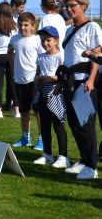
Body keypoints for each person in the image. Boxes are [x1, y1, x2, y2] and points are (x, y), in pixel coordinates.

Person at [62, 0, 100, 180]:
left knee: (86, 124)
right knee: (74, 123)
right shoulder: (69, 30)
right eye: (66, 6)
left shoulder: (92, 27)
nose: (69, 9)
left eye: (72, 6)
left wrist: (91, 79)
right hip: (70, 79)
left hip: (84, 79)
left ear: (83, 6)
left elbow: (97, 55)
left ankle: (92, 166)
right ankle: (84, 160)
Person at [33, 26, 69, 168]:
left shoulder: (61, 56)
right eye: (43, 40)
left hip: (56, 95)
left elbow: (64, 75)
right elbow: (38, 73)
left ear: (56, 41)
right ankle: (47, 154)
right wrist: (37, 79)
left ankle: (63, 156)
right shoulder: (40, 57)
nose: (45, 43)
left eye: (48, 40)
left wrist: (51, 78)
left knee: (58, 126)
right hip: (43, 95)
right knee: (45, 126)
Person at [8, 13, 44, 150]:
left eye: (26, 25)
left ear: (33, 26)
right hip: (19, 80)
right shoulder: (14, 38)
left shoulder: (37, 40)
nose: (22, 27)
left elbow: (43, 58)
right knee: (24, 110)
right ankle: (25, 138)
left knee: (37, 111)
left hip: (33, 81)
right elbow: (9, 52)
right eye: (20, 24)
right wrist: (14, 69)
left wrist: (38, 75)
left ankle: (42, 138)